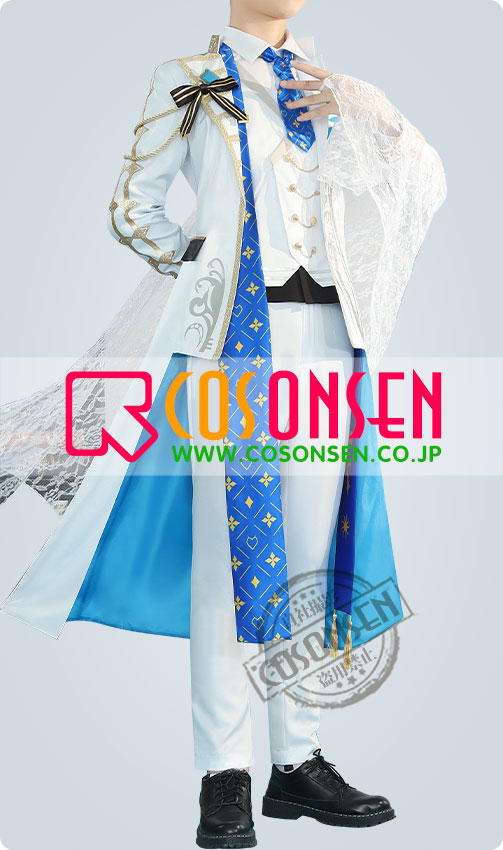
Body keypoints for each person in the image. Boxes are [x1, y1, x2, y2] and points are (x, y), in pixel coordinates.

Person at [0, 1, 447, 847]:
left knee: (308, 554)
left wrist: (369, 111)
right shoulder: (189, 80)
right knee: (223, 557)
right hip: (233, 344)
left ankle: (297, 761)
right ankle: (223, 773)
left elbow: (419, 185)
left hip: (330, 341)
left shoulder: (332, 90)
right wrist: (206, 274)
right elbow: (133, 209)